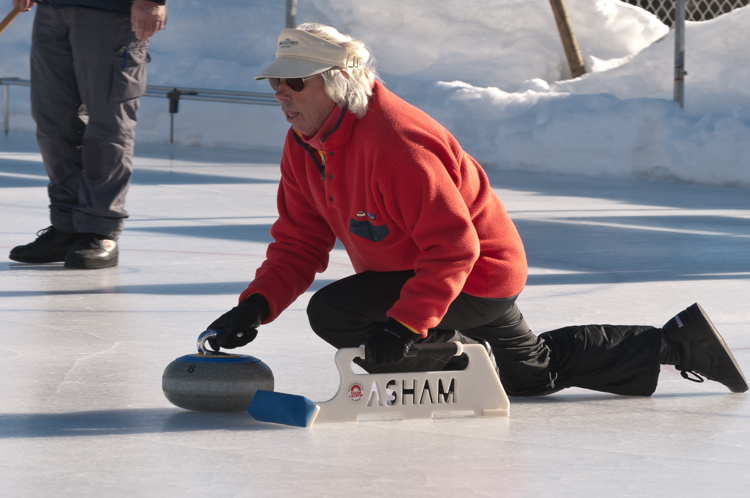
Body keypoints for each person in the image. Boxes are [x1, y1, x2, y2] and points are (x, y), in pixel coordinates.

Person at [206, 23, 748, 396]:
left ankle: (455, 362)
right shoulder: (307, 141)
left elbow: (454, 250)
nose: (281, 92)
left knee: (335, 312)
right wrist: (255, 306)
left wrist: (405, 327)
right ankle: (676, 343)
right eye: (275, 80)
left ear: (337, 81)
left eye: (294, 81)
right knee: (532, 373)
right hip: (424, 273)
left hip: (476, 274)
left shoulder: (397, 147)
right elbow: (300, 240)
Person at [8, 0, 167, 269]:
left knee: (108, 125)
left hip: (109, 13)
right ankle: (66, 226)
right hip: (53, 9)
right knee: (53, 122)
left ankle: (100, 230)